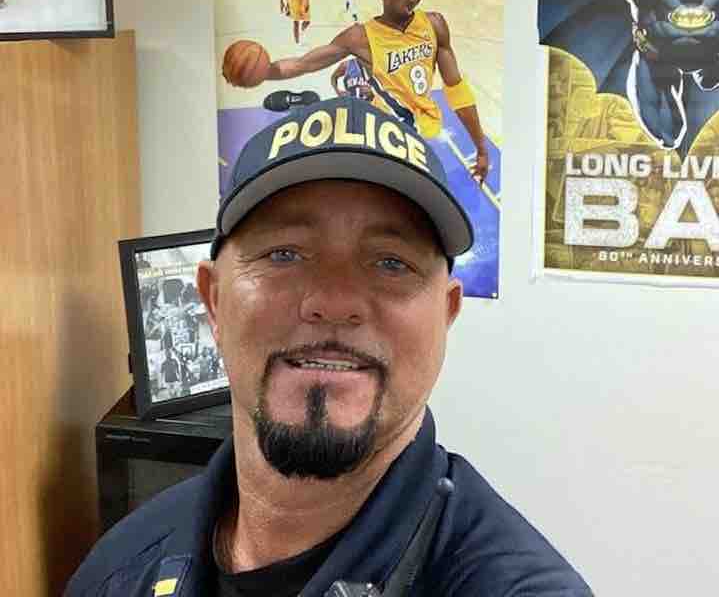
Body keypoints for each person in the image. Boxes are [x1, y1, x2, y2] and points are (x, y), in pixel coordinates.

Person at [65, 97, 593, 596]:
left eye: (391, 263)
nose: (334, 302)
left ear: (447, 313)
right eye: (285, 254)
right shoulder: (121, 569)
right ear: (214, 301)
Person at [234, 0, 489, 182]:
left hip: (428, 132)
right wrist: (264, 72)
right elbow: (303, 64)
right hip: (390, 135)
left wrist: (481, 148)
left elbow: (457, 90)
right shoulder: (361, 37)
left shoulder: (434, 24)